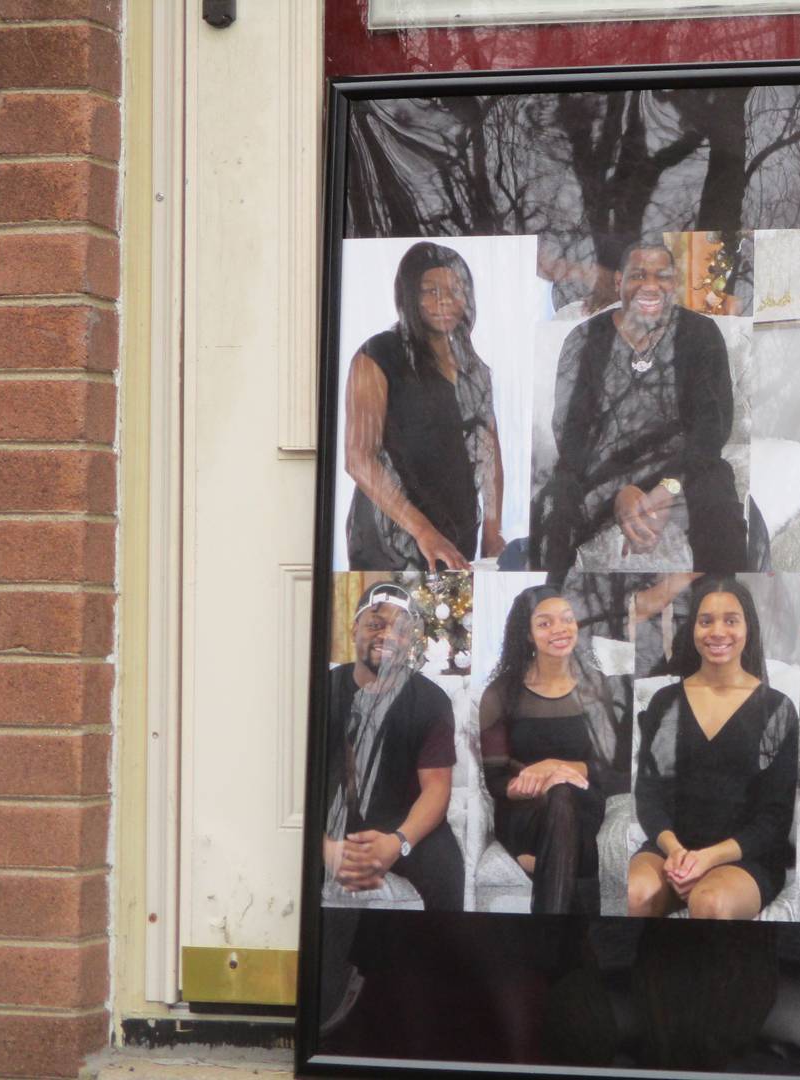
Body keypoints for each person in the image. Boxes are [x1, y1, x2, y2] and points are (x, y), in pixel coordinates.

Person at [532, 239, 748, 574]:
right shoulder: (584, 340)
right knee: (553, 506)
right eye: (638, 276)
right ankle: (549, 601)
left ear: (673, 284)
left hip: (684, 474)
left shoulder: (700, 334)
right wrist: (617, 491)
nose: (650, 286)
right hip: (598, 474)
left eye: (661, 276)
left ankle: (717, 593)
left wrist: (665, 490)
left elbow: (712, 427)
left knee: (719, 502)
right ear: (619, 282)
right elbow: (571, 433)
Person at [628, 577, 798, 920]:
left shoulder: (777, 709)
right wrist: (676, 852)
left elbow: (775, 818)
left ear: (748, 627)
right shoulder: (666, 702)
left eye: (731, 620)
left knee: (709, 902)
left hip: (743, 858)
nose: (717, 632)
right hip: (672, 849)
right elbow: (648, 795)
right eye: (706, 621)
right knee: (636, 893)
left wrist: (707, 858)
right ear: (693, 628)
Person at [345, 242, 504, 571]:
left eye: (455, 289)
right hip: (391, 538)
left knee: (453, 622)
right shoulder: (379, 354)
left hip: (457, 536)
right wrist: (424, 532)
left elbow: (490, 456)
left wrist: (492, 531)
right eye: (430, 290)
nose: (445, 300)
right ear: (409, 297)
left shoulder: (475, 370)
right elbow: (358, 458)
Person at [480, 585, 630, 915]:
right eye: (545, 623)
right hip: (524, 811)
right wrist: (523, 787)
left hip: (584, 804)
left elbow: (617, 774)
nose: (559, 629)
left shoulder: (598, 688)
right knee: (566, 822)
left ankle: (546, 935)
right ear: (528, 634)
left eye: (567, 619)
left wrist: (556, 767)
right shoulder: (500, 693)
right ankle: (574, 946)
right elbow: (495, 781)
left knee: (563, 794)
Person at [324, 581, 464, 910]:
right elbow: (293, 784)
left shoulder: (430, 700)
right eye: (376, 624)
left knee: (448, 871)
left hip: (406, 824)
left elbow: (436, 789)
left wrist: (398, 843)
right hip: (331, 825)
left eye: (400, 629)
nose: (388, 635)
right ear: (354, 627)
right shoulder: (322, 691)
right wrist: (323, 846)